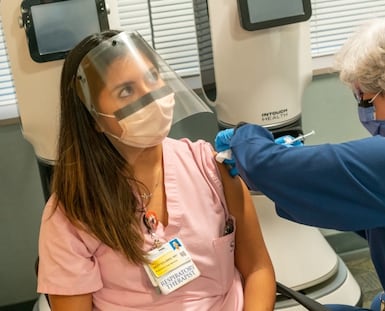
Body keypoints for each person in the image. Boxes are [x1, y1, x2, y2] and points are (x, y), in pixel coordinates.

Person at [36, 30, 276, 311]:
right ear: (93, 119)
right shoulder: (71, 216)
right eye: (126, 90)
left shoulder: (211, 167)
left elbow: (258, 270)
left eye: (152, 77)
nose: (150, 96)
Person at [214, 6, 385, 311]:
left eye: (365, 99)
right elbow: (373, 207)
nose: (362, 111)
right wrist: (312, 177)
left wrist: (245, 134)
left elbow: (268, 167)